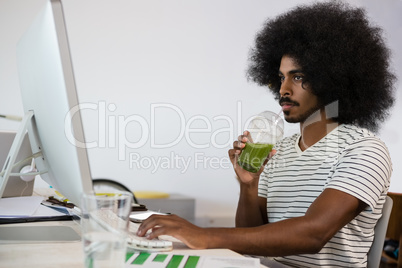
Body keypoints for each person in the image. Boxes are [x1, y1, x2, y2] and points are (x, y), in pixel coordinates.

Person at [137, 1, 396, 267]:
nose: (283, 89)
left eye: (298, 77)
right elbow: (252, 244)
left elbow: (314, 233)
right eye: (281, 77)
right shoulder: (277, 150)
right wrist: (248, 187)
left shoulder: (365, 150)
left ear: (333, 79)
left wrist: (203, 235)